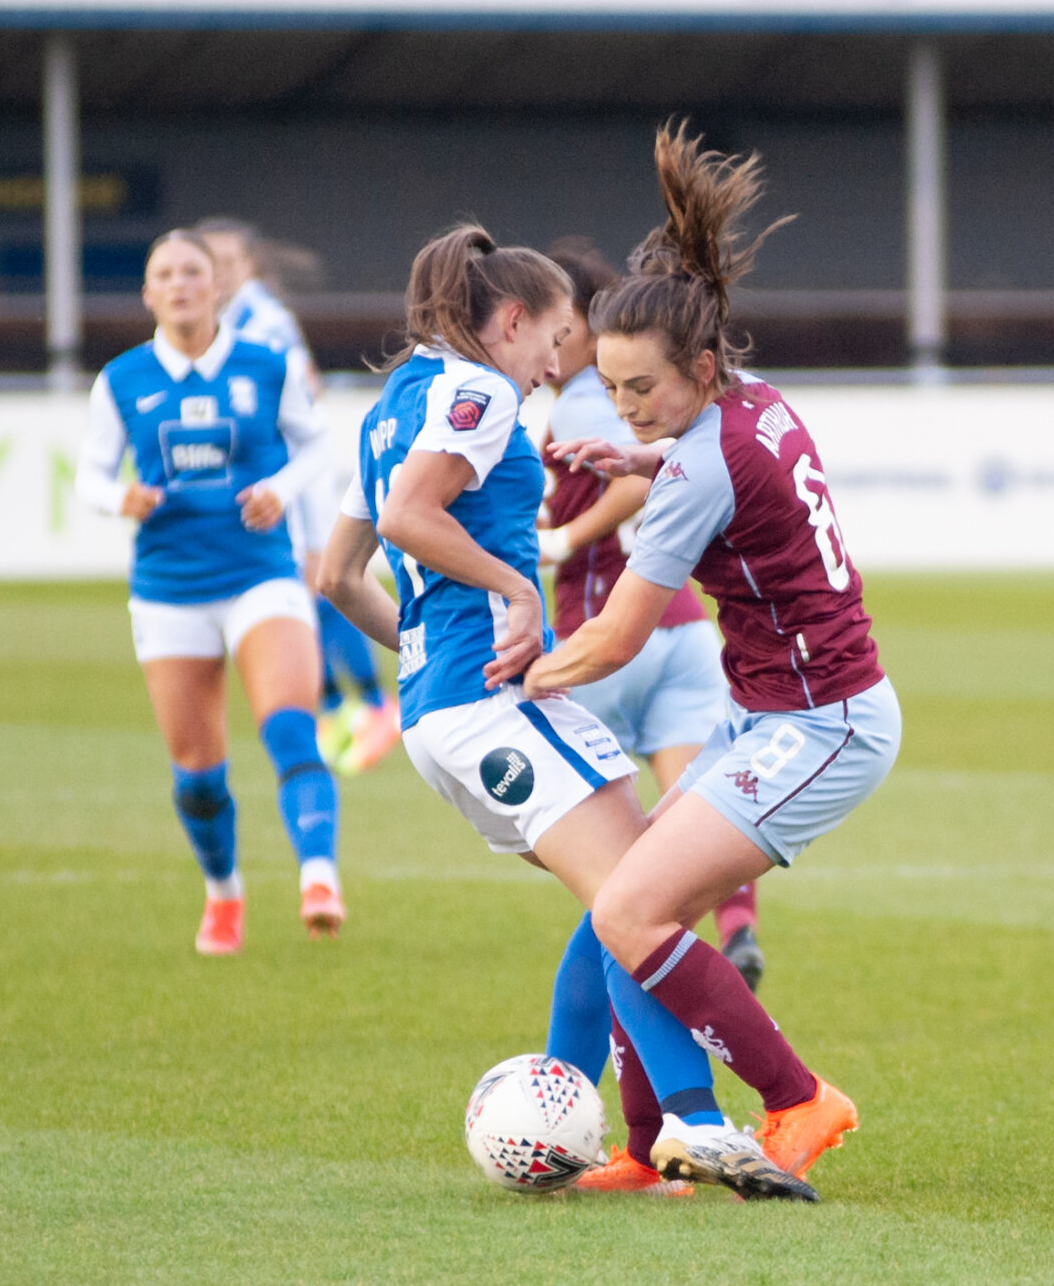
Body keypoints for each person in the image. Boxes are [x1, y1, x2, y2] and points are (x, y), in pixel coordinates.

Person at [318, 222, 815, 1201]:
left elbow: (337, 575)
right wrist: (512, 594)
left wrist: (425, 663)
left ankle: (604, 1124)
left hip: (441, 714)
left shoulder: (392, 405)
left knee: (616, 906)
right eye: (553, 341)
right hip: (488, 704)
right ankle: (698, 1123)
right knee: (641, 899)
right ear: (509, 321)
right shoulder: (475, 392)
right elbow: (412, 519)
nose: (557, 366)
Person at [525, 122, 903, 1194]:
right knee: (625, 909)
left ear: (694, 365)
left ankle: (797, 1100)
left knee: (630, 911)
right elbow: (708, 459)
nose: (624, 405)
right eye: (609, 387)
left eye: (640, 390)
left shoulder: (696, 472)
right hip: (776, 713)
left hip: (821, 725)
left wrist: (511, 678)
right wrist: (640, 451)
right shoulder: (751, 401)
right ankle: (648, 1152)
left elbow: (615, 633)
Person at [77, 228, 344, 955]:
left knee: (290, 725)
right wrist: (120, 498)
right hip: (168, 589)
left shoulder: (266, 364)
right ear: (147, 292)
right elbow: (89, 475)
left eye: (192, 271)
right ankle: (224, 890)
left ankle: (319, 875)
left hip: (261, 573)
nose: (180, 284)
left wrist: (279, 489)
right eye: (164, 273)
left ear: (215, 285)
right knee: (198, 774)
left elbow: (319, 444)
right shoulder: (122, 379)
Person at [536, 242, 765, 992]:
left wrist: (563, 536)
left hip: (604, 628)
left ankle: (643, 1035)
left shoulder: (580, 399)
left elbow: (649, 488)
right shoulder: (731, 403)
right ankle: (736, 932)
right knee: (703, 818)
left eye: (546, 314)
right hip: (686, 630)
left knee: (613, 881)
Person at [196, 215, 400, 777]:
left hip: (290, 476)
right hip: (269, 479)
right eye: (208, 265)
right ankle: (342, 705)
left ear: (248, 266)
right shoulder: (229, 319)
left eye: (227, 263)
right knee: (307, 591)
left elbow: (299, 391)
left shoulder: (264, 320)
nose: (217, 275)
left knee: (322, 583)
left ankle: (370, 703)